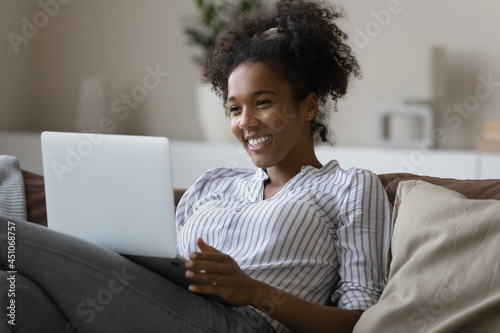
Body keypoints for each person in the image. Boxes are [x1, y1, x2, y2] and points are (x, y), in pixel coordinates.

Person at [0, 0, 392, 332]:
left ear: (308, 106)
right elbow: (163, 260)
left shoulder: (350, 187)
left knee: (8, 235)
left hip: (241, 324)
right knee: (11, 292)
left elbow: (360, 321)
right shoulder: (215, 183)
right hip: (160, 304)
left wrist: (253, 291)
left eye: (264, 102)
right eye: (234, 108)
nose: (246, 122)